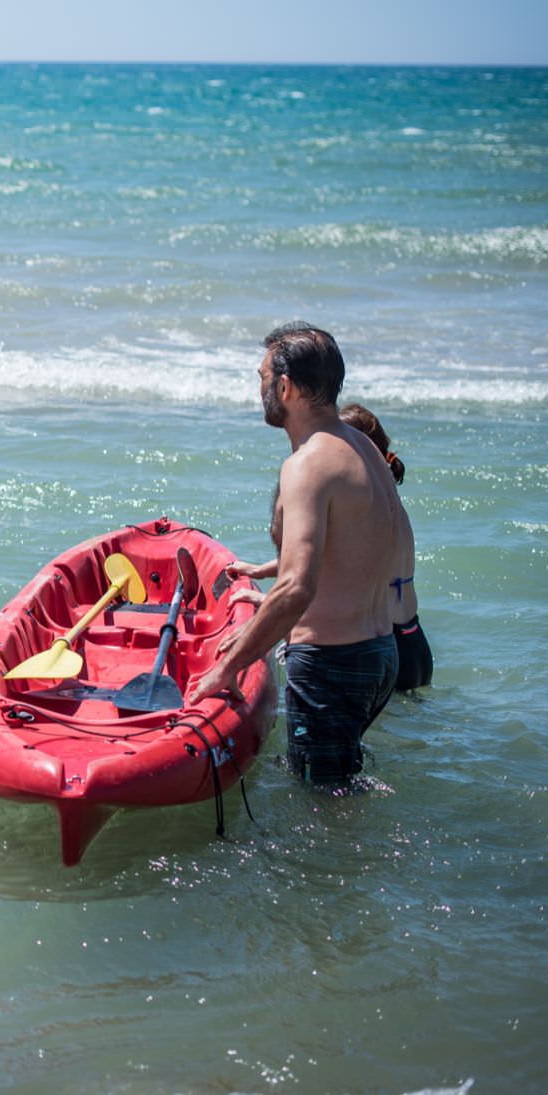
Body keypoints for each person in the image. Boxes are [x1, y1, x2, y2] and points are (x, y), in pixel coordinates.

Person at [187, 324, 410, 789]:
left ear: (285, 387)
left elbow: (295, 588)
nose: (260, 389)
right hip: (380, 655)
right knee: (341, 784)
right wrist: (260, 622)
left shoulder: (307, 464)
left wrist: (229, 668)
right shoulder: (363, 448)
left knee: (322, 805)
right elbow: (362, 552)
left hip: (332, 667)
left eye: (263, 377)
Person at [224, 403, 433, 693]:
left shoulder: (362, 509)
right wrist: (260, 571)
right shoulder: (390, 505)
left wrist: (266, 603)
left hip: (385, 641)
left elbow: (327, 574)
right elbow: (336, 561)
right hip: (415, 643)